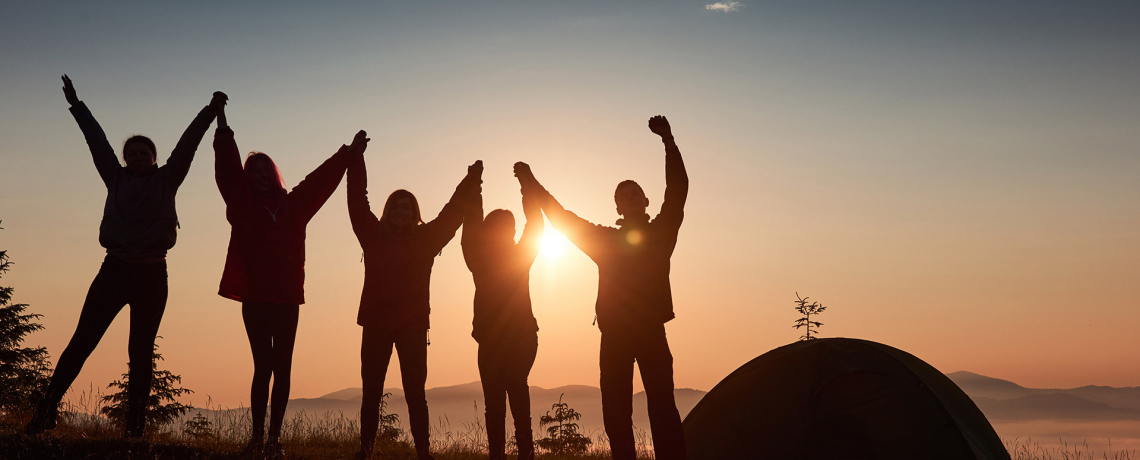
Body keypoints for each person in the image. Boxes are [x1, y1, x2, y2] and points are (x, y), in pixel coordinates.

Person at [26, 76, 223, 438]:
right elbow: (95, 141)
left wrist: (209, 113)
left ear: (154, 157)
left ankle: (134, 429)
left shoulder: (168, 179)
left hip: (152, 275)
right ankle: (45, 413)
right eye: (131, 153)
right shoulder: (113, 177)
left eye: (143, 153)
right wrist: (77, 105)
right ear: (124, 159)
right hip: (113, 272)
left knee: (140, 353)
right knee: (82, 342)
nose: (136, 158)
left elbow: (187, 145)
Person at [515, 115, 689, 460]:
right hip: (615, 336)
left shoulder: (662, 232)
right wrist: (531, 183)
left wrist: (669, 142)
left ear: (645, 201)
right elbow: (563, 218)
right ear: (618, 208)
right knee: (615, 410)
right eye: (623, 196)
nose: (630, 198)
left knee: (662, 407)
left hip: (652, 331)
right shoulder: (605, 241)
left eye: (635, 193)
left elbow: (678, 189)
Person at [213, 101, 360, 458]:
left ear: (273, 173)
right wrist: (222, 124)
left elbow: (319, 181)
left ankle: (275, 440)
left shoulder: (294, 205)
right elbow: (227, 170)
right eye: (254, 171)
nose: (260, 175)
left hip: (287, 299)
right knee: (262, 366)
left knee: (283, 367)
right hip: (256, 298)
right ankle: (255, 439)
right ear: (249, 177)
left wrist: (347, 154)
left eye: (265, 170)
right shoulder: (242, 207)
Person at [346, 143, 481, 460]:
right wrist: (357, 160)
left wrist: (471, 180)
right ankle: (366, 451)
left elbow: (452, 212)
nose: (400, 211)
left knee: (416, 395)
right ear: (387, 211)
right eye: (395, 206)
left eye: (406, 207)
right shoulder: (372, 234)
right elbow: (356, 200)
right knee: (371, 392)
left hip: (412, 327)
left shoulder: (426, 239)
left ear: (414, 213)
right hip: (376, 325)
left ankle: (423, 452)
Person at [460, 163, 544, 460]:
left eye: (510, 227)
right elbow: (471, 226)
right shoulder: (479, 260)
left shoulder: (520, 256)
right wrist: (475, 185)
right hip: (493, 340)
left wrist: (525, 184)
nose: (509, 231)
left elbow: (535, 226)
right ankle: (504, 455)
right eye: (503, 227)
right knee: (496, 401)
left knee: (514, 390)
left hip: (521, 338)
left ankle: (524, 454)